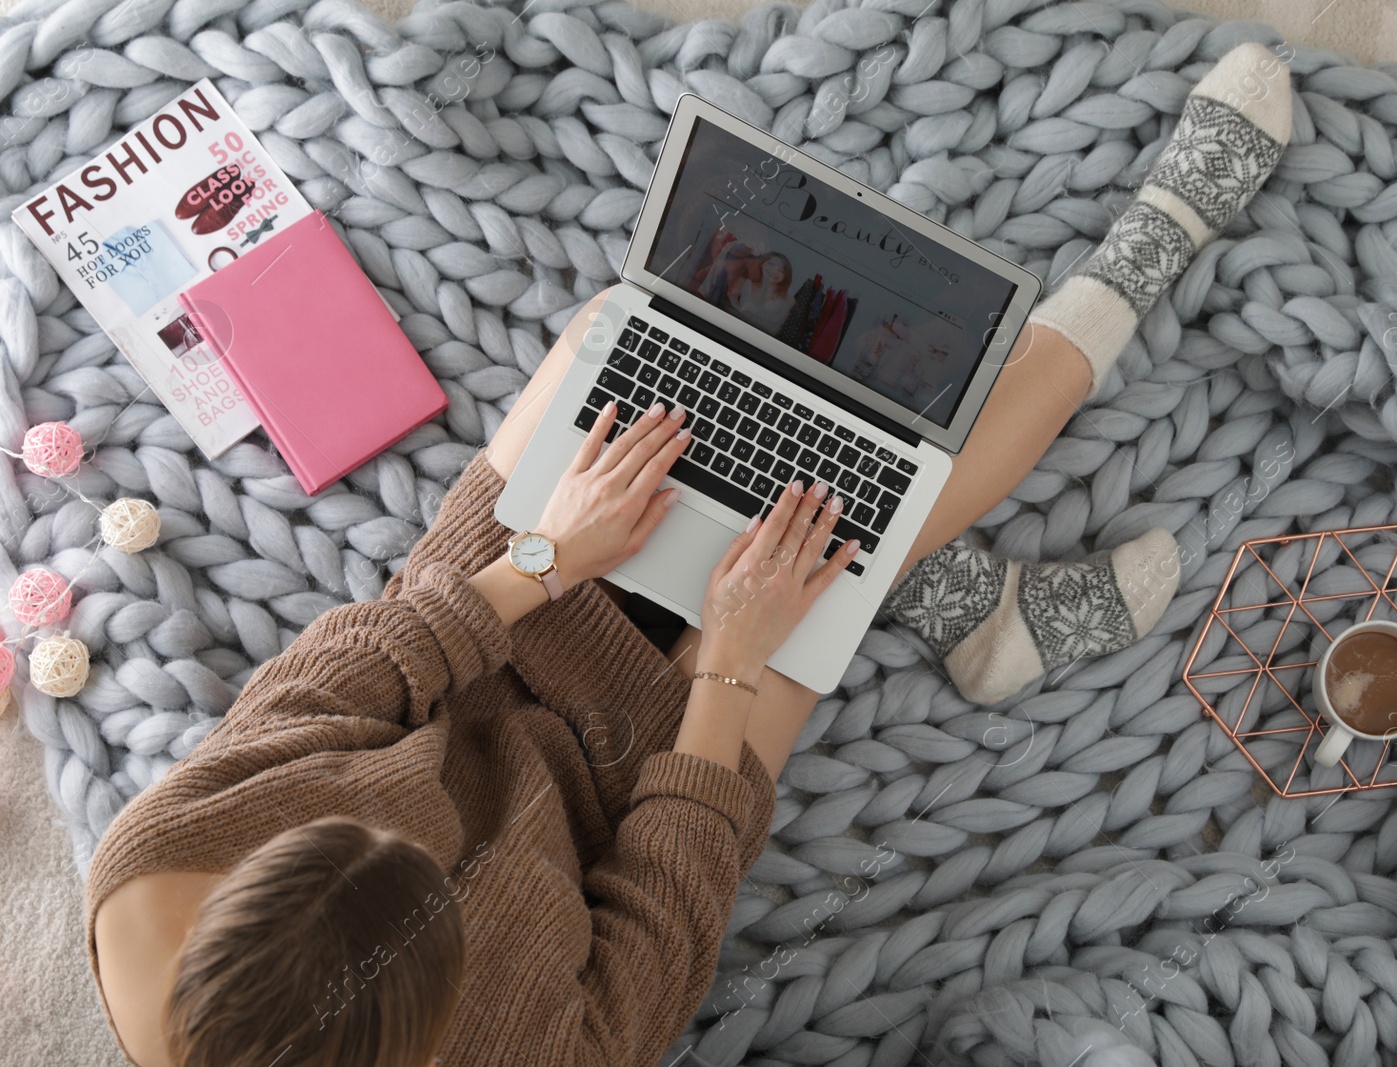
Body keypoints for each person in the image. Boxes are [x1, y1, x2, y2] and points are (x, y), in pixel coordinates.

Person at [85, 43, 1291, 1067]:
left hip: (483, 629)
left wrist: (552, 554)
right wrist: (728, 660)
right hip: (642, 782)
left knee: (616, 342)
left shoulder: (153, 870)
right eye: (432, 866)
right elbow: (666, 908)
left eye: (350, 821)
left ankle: (961, 604)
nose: (420, 814)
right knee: (901, 499)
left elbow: (368, 667)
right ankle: (1157, 240)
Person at [727, 251, 795, 333]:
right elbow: (728, 309)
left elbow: (774, 331)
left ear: (785, 276)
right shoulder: (743, 283)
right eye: (771, 264)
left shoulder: (788, 301)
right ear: (762, 263)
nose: (774, 271)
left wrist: (742, 312)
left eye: (781, 271)